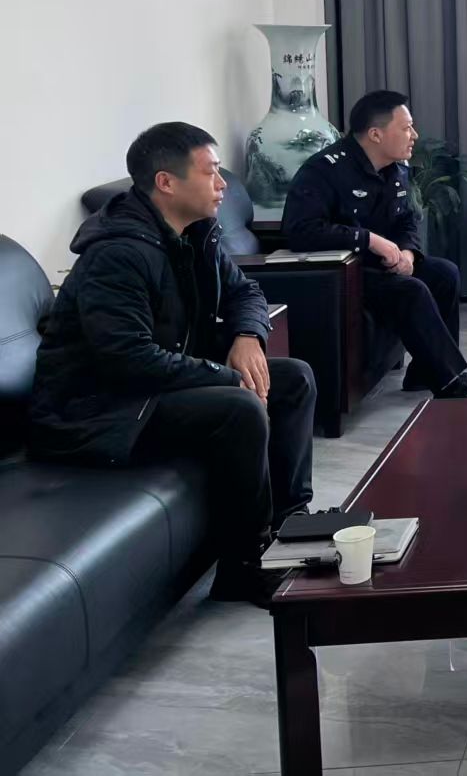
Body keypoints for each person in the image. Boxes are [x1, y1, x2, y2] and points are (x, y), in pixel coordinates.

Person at [29, 123, 316, 608]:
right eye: (211, 173)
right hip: (96, 410)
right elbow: (127, 359)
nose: (223, 184)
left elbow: (245, 291)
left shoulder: (196, 233)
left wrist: (249, 337)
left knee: (294, 378)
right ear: (166, 182)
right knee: (241, 406)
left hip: (148, 388)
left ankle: (291, 525)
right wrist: (228, 376)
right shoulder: (117, 255)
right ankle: (244, 566)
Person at [283, 90, 467, 398]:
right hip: (345, 273)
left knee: (444, 274)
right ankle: (450, 383)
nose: (414, 135)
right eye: (406, 128)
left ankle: (424, 372)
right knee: (411, 291)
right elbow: (300, 230)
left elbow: (406, 220)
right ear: (375, 134)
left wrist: (408, 252)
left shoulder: (396, 168)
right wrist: (369, 240)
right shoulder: (324, 170)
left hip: (382, 265)